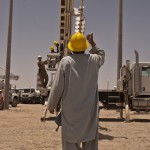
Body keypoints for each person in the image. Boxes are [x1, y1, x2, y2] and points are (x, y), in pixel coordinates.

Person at [47, 32, 105, 150]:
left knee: (70, 141)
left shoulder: (66, 62)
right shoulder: (93, 60)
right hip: (89, 111)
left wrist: (51, 105)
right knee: (90, 139)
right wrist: (92, 42)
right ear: (85, 47)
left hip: (70, 111)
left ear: (71, 48)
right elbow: (101, 53)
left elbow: (58, 86)